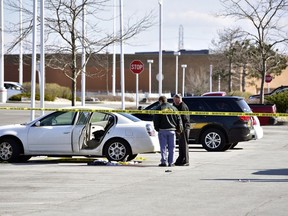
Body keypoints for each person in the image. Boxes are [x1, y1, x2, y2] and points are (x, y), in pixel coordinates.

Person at [153, 96, 183, 167]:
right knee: (172, 147)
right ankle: (171, 162)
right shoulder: (174, 108)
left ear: (160, 101)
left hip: (162, 130)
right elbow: (179, 119)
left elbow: (156, 120)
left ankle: (164, 162)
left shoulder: (159, 108)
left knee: (163, 147)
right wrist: (179, 129)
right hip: (172, 130)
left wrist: (157, 128)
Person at [173, 94, 190, 166]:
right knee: (181, 145)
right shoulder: (177, 106)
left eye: (175, 100)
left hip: (184, 128)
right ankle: (180, 159)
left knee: (184, 145)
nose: (174, 101)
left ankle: (186, 161)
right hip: (180, 128)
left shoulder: (183, 107)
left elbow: (184, 119)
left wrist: (181, 129)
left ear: (178, 99)